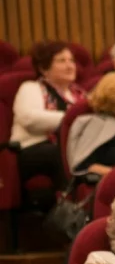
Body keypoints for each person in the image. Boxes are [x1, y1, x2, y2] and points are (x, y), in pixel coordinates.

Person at [11, 40, 86, 208]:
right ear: (44, 68)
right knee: (60, 153)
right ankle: (70, 208)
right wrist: (72, 118)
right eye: (61, 61)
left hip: (70, 148)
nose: (70, 65)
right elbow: (30, 119)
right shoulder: (31, 88)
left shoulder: (79, 94)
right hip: (32, 150)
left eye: (71, 60)